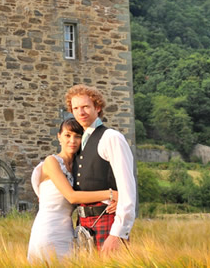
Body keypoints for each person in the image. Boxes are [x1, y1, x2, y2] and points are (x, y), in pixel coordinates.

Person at [27, 118, 118, 263]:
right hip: (48, 229)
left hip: (68, 231)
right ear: (59, 136)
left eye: (77, 136)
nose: (72, 140)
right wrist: (111, 194)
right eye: (67, 135)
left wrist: (112, 202)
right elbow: (72, 197)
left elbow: (89, 190)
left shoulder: (78, 166)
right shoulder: (52, 162)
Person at [65, 84, 137, 253]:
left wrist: (118, 234)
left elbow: (127, 189)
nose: (80, 112)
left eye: (85, 107)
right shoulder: (79, 141)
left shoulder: (111, 137)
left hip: (108, 221)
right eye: (76, 108)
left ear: (97, 107)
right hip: (83, 224)